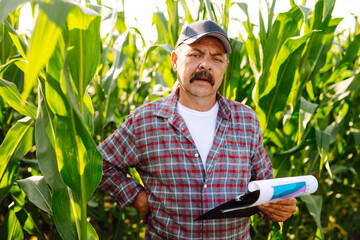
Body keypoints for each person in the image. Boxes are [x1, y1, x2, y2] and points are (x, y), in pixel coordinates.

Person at [98, 20, 297, 239]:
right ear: (175, 61)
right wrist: (137, 197)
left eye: (216, 58)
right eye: (195, 55)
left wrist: (277, 205)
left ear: (224, 68)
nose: (205, 65)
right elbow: (99, 163)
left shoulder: (245, 119)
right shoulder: (146, 121)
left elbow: (264, 184)